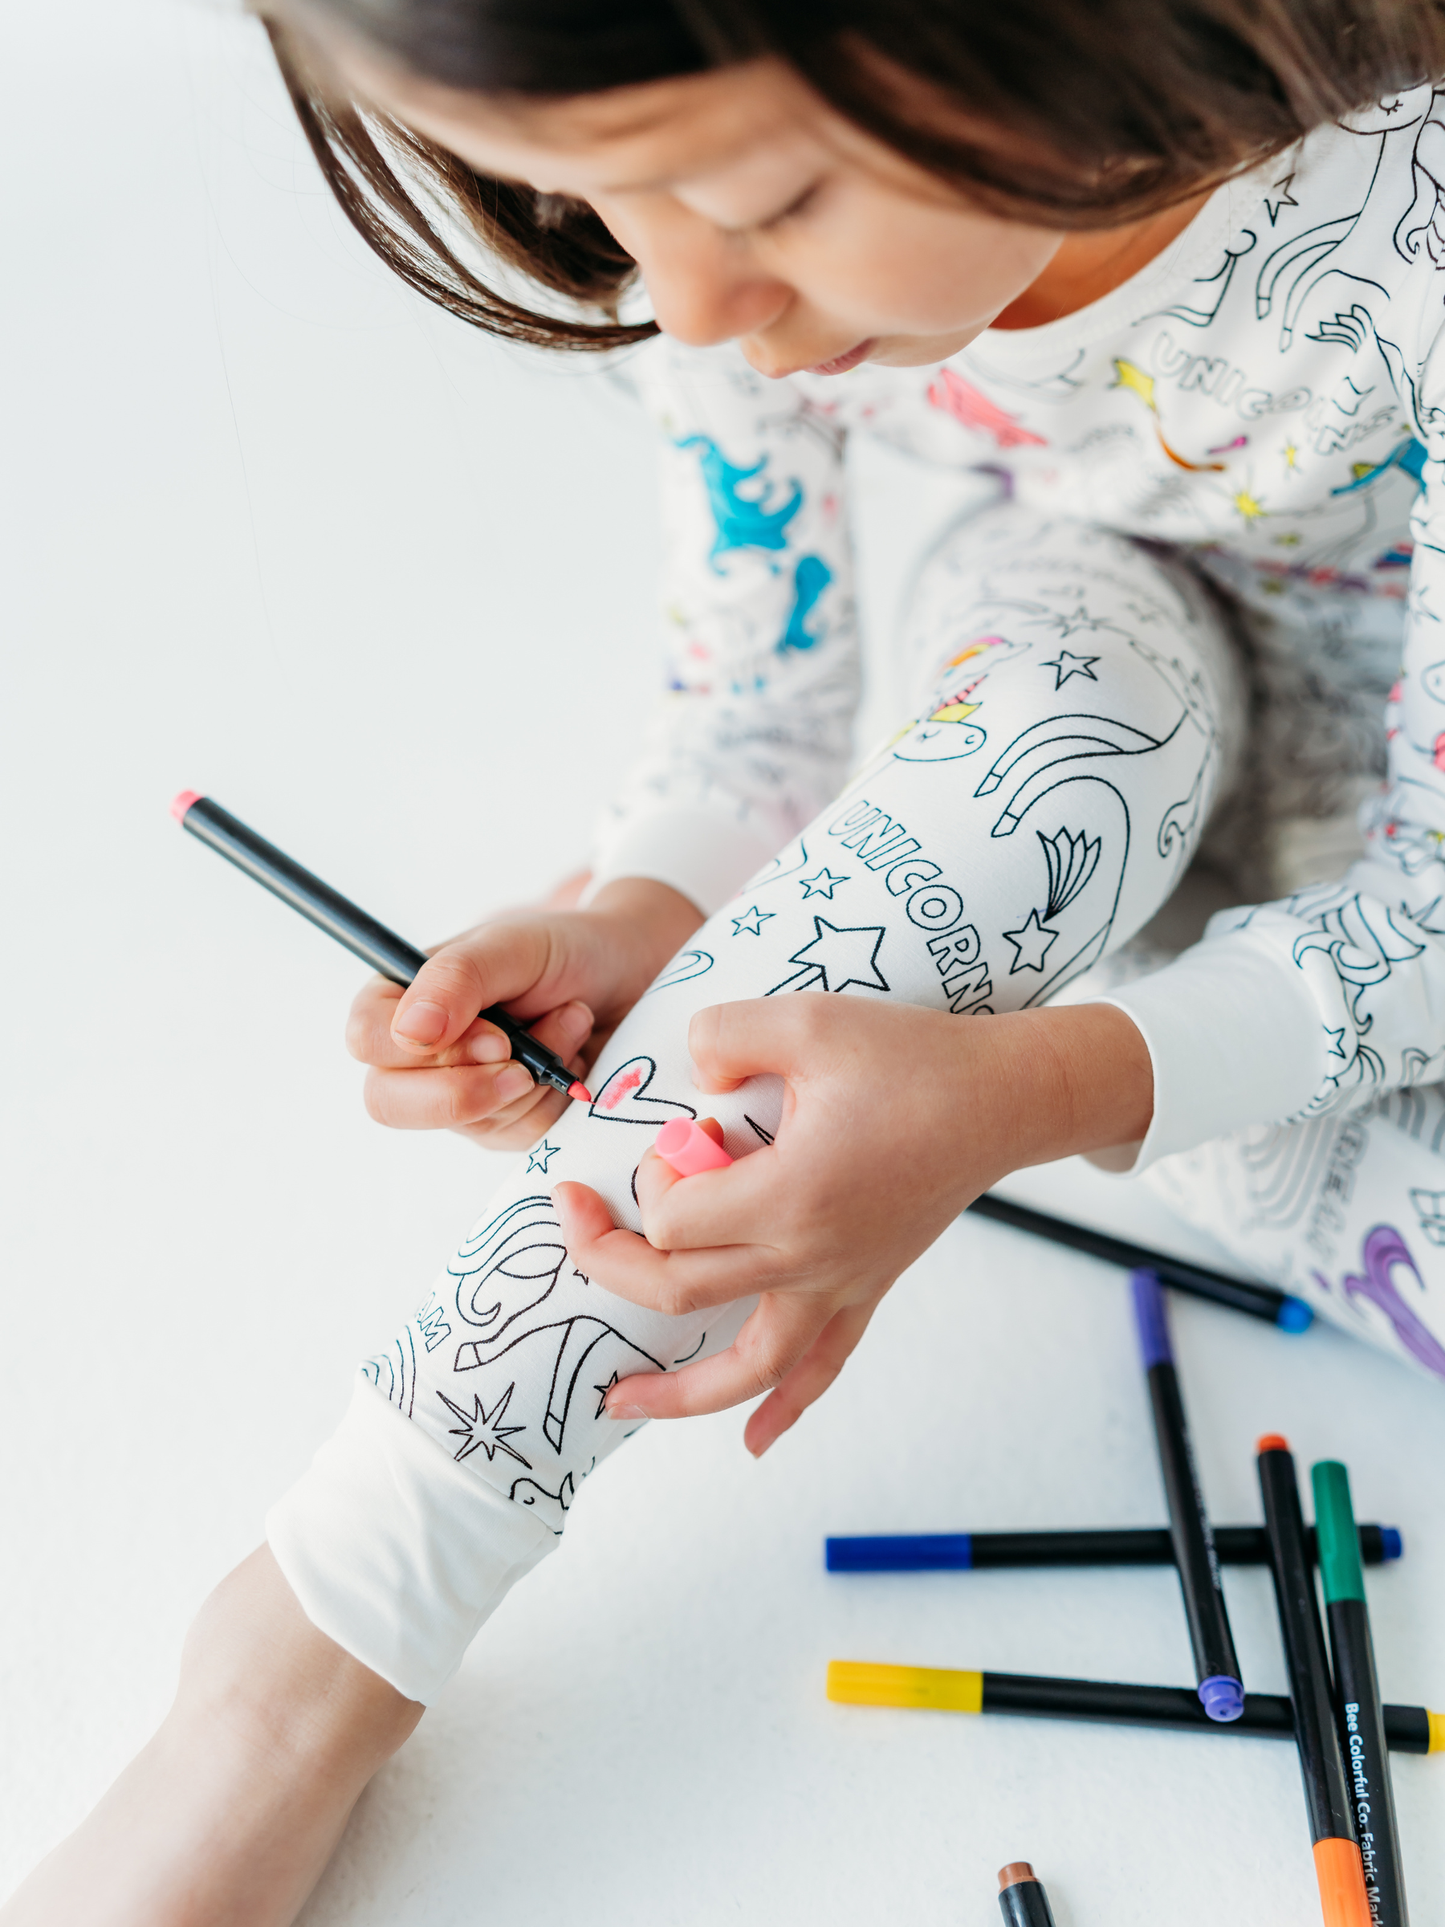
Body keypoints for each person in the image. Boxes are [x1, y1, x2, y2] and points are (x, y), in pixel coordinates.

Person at [9, 1, 1445, 1919]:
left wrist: (1028, 1094)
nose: (686, 309)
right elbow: (755, 707)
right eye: (592, 207)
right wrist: (638, 916)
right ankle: (321, 1624)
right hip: (1100, 685)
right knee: (1069, 712)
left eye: (763, 199)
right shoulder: (697, 197)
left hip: (1359, 910)